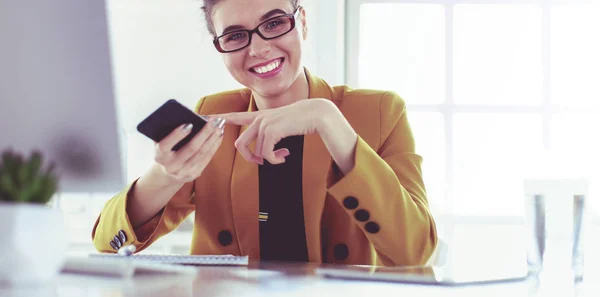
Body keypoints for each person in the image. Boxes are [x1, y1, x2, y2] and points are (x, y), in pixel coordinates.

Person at [92, 0, 437, 266]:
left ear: (301, 22)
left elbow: (415, 251)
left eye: (274, 23)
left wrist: (328, 120)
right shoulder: (213, 117)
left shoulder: (378, 113)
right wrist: (165, 174)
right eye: (235, 36)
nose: (258, 49)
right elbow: (107, 243)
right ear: (219, 46)